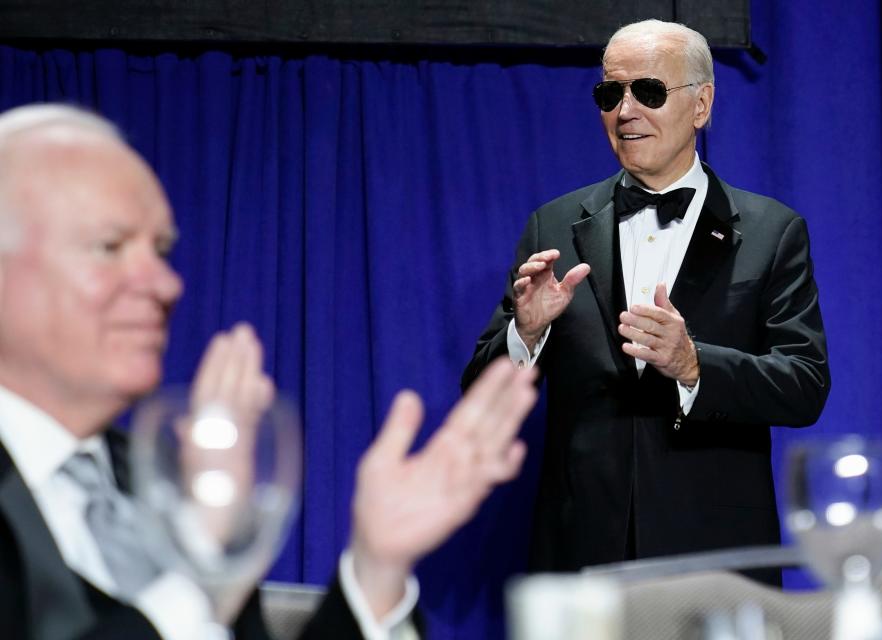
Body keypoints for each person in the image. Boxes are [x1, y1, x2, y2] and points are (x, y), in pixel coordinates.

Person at [0, 103, 538, 640]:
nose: (165, 284)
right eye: (109, 247)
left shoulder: (151, 482)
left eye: (160, 249)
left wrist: (376, 570)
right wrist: (203, 569)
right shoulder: (194, 516)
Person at [463, 19, 830, 583]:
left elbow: (804, 385)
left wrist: (694, 365)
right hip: (580, 554)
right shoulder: (555, 226)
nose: (626, 110)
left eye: (649, 91)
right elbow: (480, 393)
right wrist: (526, 334)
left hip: (715, 555)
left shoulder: (771, 231)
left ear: (701, 105)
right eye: (611, 94)